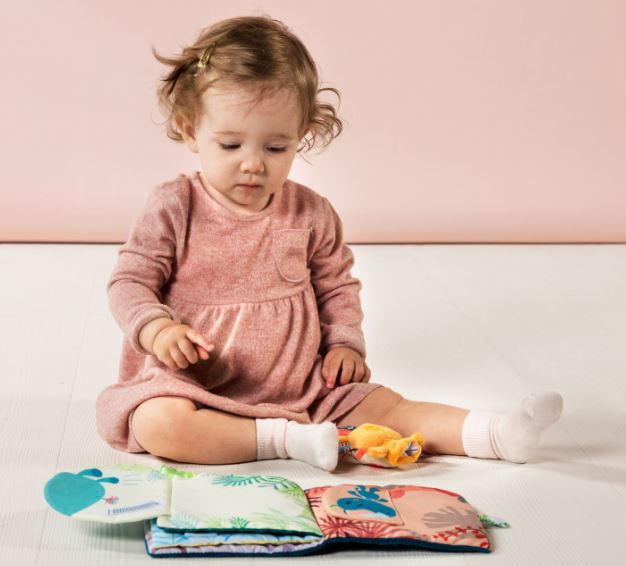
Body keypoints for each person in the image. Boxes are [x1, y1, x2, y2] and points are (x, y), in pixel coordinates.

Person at [96, 15, 563, 471]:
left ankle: (496, 434)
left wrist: (345, 346)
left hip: (303, 387)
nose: (253, 164)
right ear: (189, 129)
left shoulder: (309, 212)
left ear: (301, 136)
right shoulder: (175, 206)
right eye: (231, 145)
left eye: (276, 148)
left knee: (389, 408)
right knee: (160, 425)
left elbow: (337, 287)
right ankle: (288, 442)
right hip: (194, 385)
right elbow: (129, 282)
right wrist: (157, 330)